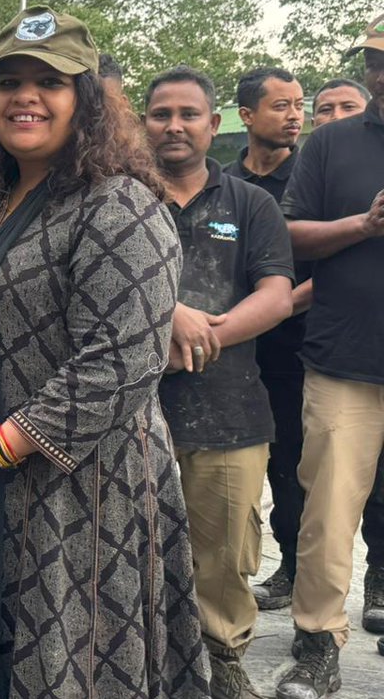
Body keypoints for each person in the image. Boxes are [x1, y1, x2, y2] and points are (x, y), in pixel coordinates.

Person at [0, 7, 208, 699]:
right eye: (8, 82)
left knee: (60, 665)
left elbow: (118, 365)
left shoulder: (117, 204)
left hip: (73, 497)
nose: (24, 96)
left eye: (49, 82)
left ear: (84, 102)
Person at [144, 65, 294, 698]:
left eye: (188, 115)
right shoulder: (116, 198)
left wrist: (202, 337)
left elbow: (278, 294)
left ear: (214, 124)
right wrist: (163, 326)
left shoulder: (250, 203)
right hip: (129, 407)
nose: (174, 126)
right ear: (142, 124)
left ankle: (223, 658)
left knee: (227, 548)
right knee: (133, 544)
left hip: (230, 408)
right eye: (161, 115)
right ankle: (142, 656)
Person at [275, 15, 384, 699]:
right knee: (329, 511)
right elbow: (290, 236)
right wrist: (363, 226)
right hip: (346, 360)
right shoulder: (331, 144)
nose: (380, 73)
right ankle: (318, 644)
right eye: (374, 61)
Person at [219, 68, 311, 614]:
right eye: (280, 106)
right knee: (260, 466)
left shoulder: (310, 179)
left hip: (297, 346)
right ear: (246, 116)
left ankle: (299, 567)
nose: (295, 115)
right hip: (234, 352)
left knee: (299, 463)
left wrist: (262, 312)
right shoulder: (228, 186)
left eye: (299, 104)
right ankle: (264, 566)